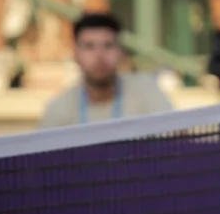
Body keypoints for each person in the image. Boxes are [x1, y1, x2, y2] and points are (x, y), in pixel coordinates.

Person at [39, 13, 174, 128]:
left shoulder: (146, 91)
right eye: (89, 46)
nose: (100, 55)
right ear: (75, 55)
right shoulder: (59, 109)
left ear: (121, 52)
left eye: (108, 46)